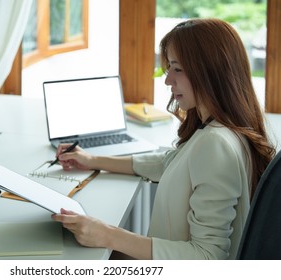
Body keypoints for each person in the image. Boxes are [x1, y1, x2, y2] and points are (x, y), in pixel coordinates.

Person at [51, 18, 276, 260]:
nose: (168, 80)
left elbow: (207, 257)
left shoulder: (215, 144)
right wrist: (92, 160)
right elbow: (169, 163)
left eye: (177, 69)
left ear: (211, 71)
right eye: (169, 68)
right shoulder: (227, 128)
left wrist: (108, 235)